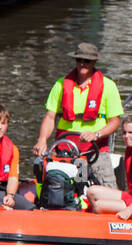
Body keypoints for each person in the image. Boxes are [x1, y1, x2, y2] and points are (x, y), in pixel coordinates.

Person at [33, 42, 122, 189]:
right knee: (56, 185)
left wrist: (97, 134)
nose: (82, 64)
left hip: (94, 148)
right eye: (79, 60)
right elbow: (50, 117)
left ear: (94, 62)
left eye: (87, 61)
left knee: (107, 188)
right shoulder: (61, 85)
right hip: (65, 147)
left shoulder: (108, 86)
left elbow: (114, 122)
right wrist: (42, 140)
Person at [84, 116, 132, 219]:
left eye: (130, 132)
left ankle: (114, 228)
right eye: (124, 133)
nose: (126, 136)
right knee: (91, 192)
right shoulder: (129, 150)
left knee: (98, 206)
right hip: (130, 197)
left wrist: (129, 210)